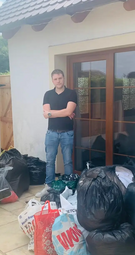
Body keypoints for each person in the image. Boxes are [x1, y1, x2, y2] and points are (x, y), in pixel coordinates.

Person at [35, 69, 77, 198]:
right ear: (52, 80)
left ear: (63, 78)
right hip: (51, 133)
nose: (58, 81)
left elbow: (55, 112)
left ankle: (70, 187)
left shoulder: (71, 93)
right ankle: (48, 186)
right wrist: (64, 112)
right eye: (55, 79)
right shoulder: (48, 94)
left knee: (68, 161)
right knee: (50, 160)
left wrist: (52, 113)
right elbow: (46, 114)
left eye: (60, 78)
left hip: (67, 133)